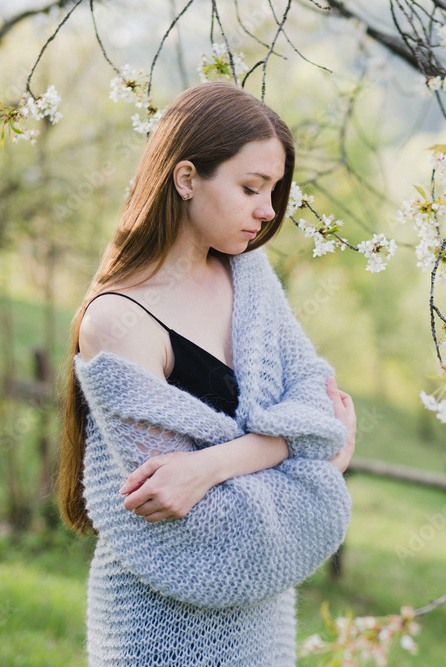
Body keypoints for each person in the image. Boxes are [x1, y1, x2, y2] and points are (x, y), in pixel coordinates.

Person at [57, 81, 356, 666]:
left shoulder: (249, 278)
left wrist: (210, 464)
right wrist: (314, 463)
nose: (268, 211)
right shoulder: (118, 323)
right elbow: (202, 533)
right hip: (159, 631)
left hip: (262, 626)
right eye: (251, 188)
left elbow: (322, 411)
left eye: (273, 191)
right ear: (187, 178)